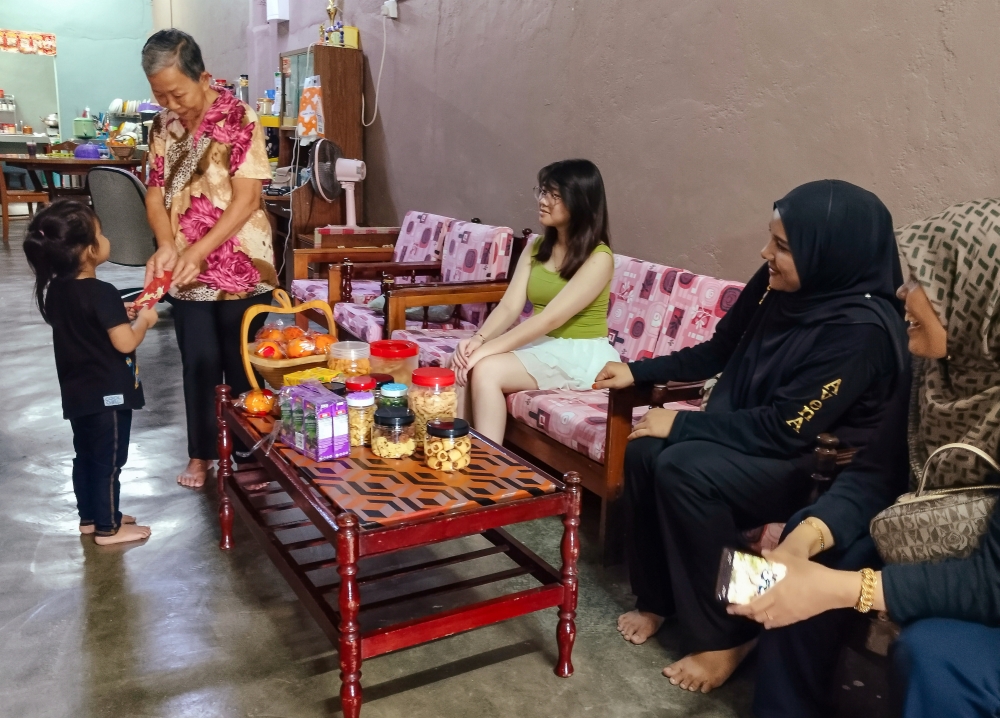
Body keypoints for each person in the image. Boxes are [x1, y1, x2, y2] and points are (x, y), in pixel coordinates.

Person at [594, 180, 908, 693]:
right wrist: (639, 370)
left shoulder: (862, 331)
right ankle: (657, 600)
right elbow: (719, 349)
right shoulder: (774, 282)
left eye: (782, 247)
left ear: (829, 255)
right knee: (646, 451)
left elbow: (789, 429)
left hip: (816, 460)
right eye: (772, 239)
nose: (767, 254)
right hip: (759, 431)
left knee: (684, 470)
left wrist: (686, 423)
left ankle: (733, 631)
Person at [731, 198, 1000, 718]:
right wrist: (804, 540)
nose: (903, 292)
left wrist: (840, 590)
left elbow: (991, 579)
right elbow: (877, 472)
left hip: (977, 570)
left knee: (929, 649)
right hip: (922, 534)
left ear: (978, 300)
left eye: (925, 282)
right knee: (810, 556)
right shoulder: (932, 370)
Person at [141, 29, 277, 488]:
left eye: (176, 92)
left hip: (240, 260)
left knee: (241, 361)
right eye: (160, 95)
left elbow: (247, 199)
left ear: (201, 76)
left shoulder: (239, 116)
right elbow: (156, 194)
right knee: (197, 359)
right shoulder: (163, 127)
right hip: (186, 266)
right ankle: (201, 454)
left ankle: (250, 452)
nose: (171, 103)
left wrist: (199, 249)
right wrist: (166, 244)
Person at [452, 159, 620, 443]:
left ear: (580, 202)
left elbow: (549, 319)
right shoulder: (537, 246)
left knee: (486, 370)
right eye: (543, 192)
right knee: (459, 362)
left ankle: (489, 467)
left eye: (555, 196)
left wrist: (485, 352)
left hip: (582, 354)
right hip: (544, 345)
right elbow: (509, 306)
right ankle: (455, 452)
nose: (543, 201)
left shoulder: (599, 258)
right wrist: (477, 341)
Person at [23, 200, 156, 545]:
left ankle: (91, 516)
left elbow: (87, 324)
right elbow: (125, 343)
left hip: (79, 394)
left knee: (86, 456)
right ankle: (108, 528)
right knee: (110, 461)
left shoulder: (57, 291)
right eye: (100, 233)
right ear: (87, 250)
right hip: (108, 395)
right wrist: (143, 320)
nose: (105, 238)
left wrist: (118, 312)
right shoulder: (101, 292)